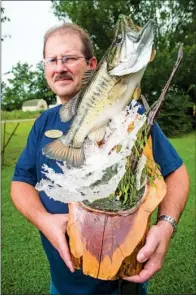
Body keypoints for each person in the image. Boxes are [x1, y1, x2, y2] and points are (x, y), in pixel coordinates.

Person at [10, 23, 189, 295]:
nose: (60, 67)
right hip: (63, 285)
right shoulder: (42, 124)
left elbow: (176, 173)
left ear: (92, 63)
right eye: (52, 60)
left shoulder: (131, 116)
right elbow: (21, 181)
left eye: (69, 57)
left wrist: (166, 226)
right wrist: (43, 220)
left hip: (125, 284)